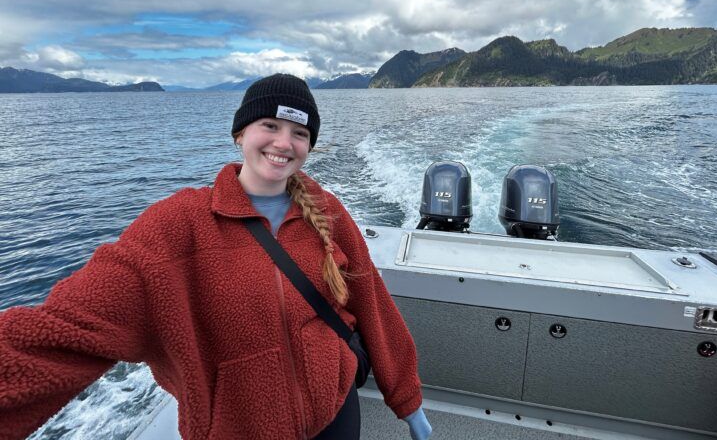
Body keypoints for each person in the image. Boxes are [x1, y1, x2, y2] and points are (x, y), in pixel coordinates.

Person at [0, 74, 433, 440]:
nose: (284, 143)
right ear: (240, 133)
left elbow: (372, 304)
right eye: (270, 125)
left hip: (336, 414)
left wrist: (408, 402)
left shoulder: (328, 211)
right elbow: (68, 328)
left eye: (299, 133)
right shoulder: (176, 225)